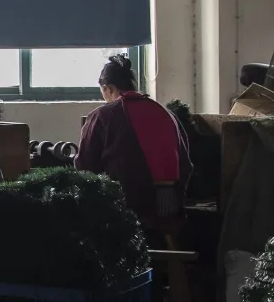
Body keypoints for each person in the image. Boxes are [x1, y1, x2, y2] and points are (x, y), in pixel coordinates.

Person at [74, 52, 191, 235]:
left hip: (125, 207)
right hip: (169, 206)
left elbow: (85, 166)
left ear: (108, 88)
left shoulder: (102, 116)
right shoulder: (166, 113)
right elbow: (185, 164)